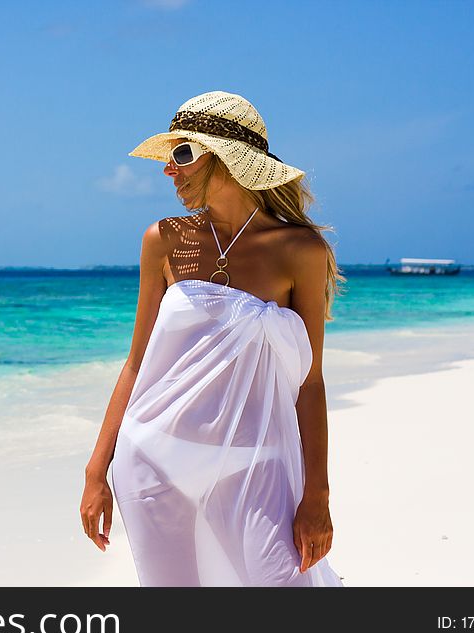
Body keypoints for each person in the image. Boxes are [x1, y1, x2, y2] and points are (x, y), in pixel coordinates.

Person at [80, 91, 346, 586]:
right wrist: (98, 468)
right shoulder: (162, 240)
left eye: (182, 154)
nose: (168, 170)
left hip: (253, 464)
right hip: (155, 458)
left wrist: (318, 496)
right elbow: (137, 364)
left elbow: (309, 382)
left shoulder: (300, 250)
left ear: (226, 158)